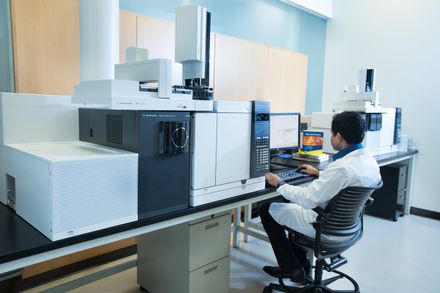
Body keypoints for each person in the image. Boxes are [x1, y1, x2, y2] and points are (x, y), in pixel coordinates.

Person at [259, 111, 381, 282]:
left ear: (338, 136)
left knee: (267, 209)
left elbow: (307, 199)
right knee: (288, 203)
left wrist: (280, 183)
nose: (331, 138)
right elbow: (347, 181)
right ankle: (302, 269)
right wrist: (319, 173)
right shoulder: (370, 162)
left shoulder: (341, 168)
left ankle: (292, 268)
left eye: (332, 134)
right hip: (349, 229)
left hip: (324, 227)